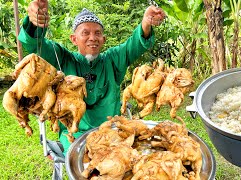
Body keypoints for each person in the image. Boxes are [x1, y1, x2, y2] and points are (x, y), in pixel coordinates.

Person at [18, 0, 166, 156]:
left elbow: (133, 45)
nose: (93, 37)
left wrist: (146, 23)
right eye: (85, 33)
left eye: (97, 33)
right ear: (74, 39)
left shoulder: (113, 59)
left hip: (113, 132)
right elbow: (35, 45)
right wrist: (36, 23)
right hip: (75, 136)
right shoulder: (63, 59)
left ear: (104, 39)